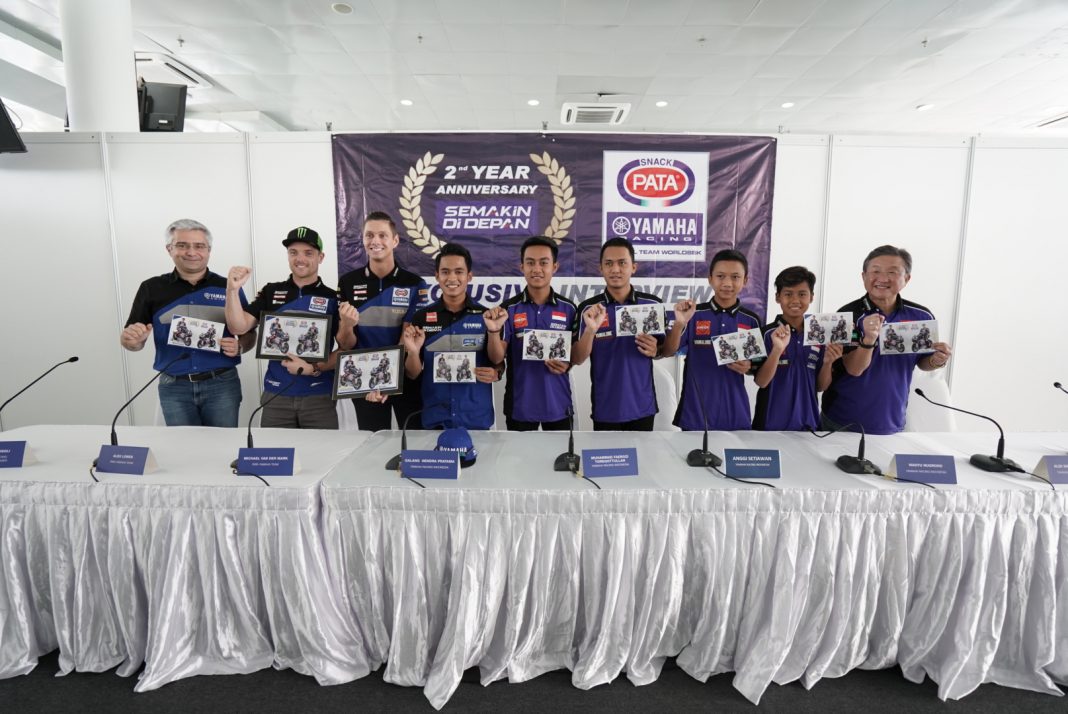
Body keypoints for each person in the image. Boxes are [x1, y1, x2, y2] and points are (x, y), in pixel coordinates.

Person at [121, 219, 249, 427]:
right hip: (174, 386)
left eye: (199, 246)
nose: (191, 252)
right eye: (182, 245)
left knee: (224, 444)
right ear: (169, 249)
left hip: (222, 385)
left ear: (209, 250)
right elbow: (132, 342)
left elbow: (248, 333)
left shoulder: (229, 287)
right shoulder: (151, 288)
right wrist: (133, 340)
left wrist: (240, 346)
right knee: (181, 445)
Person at [224, 226, 355, 429]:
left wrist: (347, 325)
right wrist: (232, 290)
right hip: (276, 394)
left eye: (308, 253)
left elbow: (346, 348)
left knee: (321, 450)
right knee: (275, 450)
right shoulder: (271, 291)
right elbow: (238, 328)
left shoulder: (333, 297)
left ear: (320, 257)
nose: (300, 258)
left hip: (319, 394)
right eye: (293, 252)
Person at [820, 245, 953, 435]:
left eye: (892, 272)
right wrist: (869, 338)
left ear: (906, 278)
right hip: (841, 420)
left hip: (892, 420)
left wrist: (936, 360)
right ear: (864, 276)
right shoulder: (847, 315)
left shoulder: (921, 316)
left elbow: (923, 362)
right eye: (875, 271)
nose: (883, 278)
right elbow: (854, 369)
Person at [338, 211, 429, 430]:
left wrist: (387, 381)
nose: (375, 241)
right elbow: (345, 344)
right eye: (369, 235)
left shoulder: (414, 283)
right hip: (365, 382)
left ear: (395, 241)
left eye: (382, 235)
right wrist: (347, 325)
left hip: (405, 377)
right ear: (363, 240)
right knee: (373, 443)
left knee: (413, 441)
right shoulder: (348, 282)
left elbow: (407, 338)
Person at [401, 242, 500, 429]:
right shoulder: (421, 317)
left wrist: (496, 372)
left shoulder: (486, 316)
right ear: (437, 276)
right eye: (445, 272)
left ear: (469, 276)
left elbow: (497, 361)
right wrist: (413, 352)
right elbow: (412, 374)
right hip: (435, 417)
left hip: (476, 417)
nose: (452, 278)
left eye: (459, 271)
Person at [483, 236, 577, 431]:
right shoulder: (508, 309)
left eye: (544, 263)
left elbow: (577, 354)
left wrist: (568, 363)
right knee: (518, 453)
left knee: (560, 452)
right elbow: (497, 357)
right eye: (530, 262)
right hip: (520, 406)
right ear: (522, 267)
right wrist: (493, 331)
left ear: (555, 267)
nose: (536, 269)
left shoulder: (569, 308)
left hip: (558, 405)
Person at [663, 249, 763, 431]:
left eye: (735, 277)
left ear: (745, 280)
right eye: (720, 276)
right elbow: (669, 351)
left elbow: (757, 367)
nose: (727, 283)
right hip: (695, 413)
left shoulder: (751, 320)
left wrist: (749, 366)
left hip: (735, 413)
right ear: (710, 279)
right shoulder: (693, 314)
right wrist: (679, 323)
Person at [571, 237, 663, 431]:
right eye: (609, 263)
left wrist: (657, 350)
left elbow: (665, 349)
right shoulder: (588, 309)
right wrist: (590, 330)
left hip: (642, 407)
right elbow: (577, 358)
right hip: (605, 408)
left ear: (634, 267)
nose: (615, 269)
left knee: (643, 453)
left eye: (622, 263)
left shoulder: (652, 305)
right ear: (601, 268)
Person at [752, 266, 842, 431]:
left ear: (811, 297)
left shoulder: (820, 334)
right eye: (788, 294)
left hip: (809, 425)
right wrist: (777, 350)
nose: (795, 300)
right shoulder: (765, 334)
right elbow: (761, 382)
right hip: (769, 426)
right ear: (778, 297)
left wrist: (828, 362)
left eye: (802, 294)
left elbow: (820, 387)